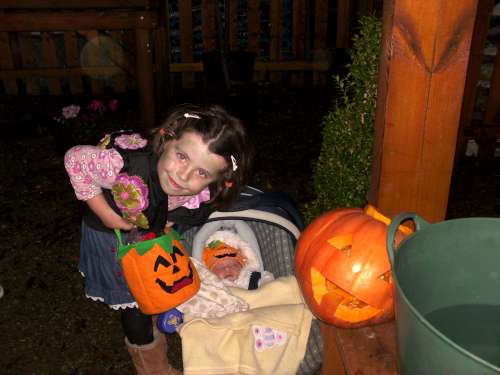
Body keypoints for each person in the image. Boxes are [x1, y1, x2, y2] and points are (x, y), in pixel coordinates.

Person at [64, 104, 252, 375]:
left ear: (218, 180)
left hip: (144, 228)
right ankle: (153, 368)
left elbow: (184, 202)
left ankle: (153, 303)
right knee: (135, 306)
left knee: (152, 282)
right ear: (166, 139)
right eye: (182, 156)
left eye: (202, 173)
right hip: (110, 236)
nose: (183, 176)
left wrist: (168, 219)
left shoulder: (203, 192)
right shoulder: (120, 165)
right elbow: (74, 159)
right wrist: (106, 214)